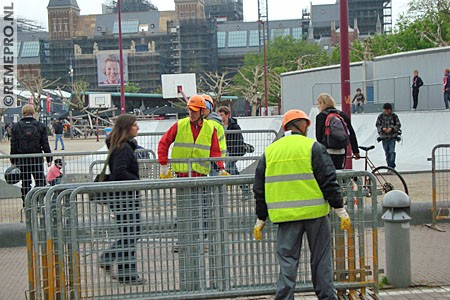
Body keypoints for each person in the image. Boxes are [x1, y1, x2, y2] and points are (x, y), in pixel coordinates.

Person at [253, 109, 350, 300]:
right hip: (315, 216)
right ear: (303, 125)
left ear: (285, 127)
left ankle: (285, 298)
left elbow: (259, 187)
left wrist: (260, 219)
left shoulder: (271, 151)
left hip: (286, 218)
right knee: (321, 261)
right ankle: (327, 297)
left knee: (287, 262)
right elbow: (328, 180)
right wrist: (340, 209)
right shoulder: (313, 147)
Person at [98, 114, 144, 284]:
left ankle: (127, 273)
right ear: (126, 128)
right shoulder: (123, 148)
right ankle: (114, 262)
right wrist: (137, 182)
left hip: (121, 198)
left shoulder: (120, 146)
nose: (137, 128)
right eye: (134, 125)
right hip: (124, 198)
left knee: (129, 233)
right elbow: (119, 172)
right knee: (132, 233)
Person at [158, 94, 228, 178]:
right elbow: (164, 142)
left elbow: (215, 151)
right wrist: (163, 165)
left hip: (201, 174)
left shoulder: (210, 128)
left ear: (202, 111)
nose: (191, 114)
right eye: (190, 110)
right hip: (182, 174)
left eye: (194, 111)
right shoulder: (180, 125)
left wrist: (221, 168)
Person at [10, 104, 52, 206]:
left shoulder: (16, 127)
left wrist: (13, 160)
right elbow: (45, 143)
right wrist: (49, 157)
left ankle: (27, 203)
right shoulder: (40, 126)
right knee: (40, 181)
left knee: (25, 183)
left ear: (23, 112)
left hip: (22, 159)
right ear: (33, 112)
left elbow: (13, 144)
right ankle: (38, 200)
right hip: (36, 158)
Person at [316, 93, 360, 170]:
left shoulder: (321, 116)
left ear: (322, 103)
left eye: (318, 103)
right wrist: (355, 151)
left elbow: (319, 137)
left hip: (327, 151)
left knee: (329, 176)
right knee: (340, 175)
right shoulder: (342, 115)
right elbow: (351, 133)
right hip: (341, 151)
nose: (318, 106)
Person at [202, 94, 227, 175]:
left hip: (213, 159)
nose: (202, 110)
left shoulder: (209, 123)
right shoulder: (214, 121)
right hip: (217, 158)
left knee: (214, 183)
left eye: (204, 108)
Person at [376, 103, 401, 169]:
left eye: (388, 110)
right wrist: (382, 129)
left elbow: (398, 125)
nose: (386, 112)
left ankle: (392, 166)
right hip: (384, 138)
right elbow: (377, 125)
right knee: (387, 153)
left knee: (391, 152)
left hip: (392, 137)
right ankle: (389, 166)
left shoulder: (394, 116)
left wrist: (392, 129)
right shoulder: (380, 116)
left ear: (390, 110)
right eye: (385, 110)